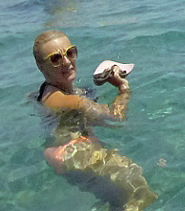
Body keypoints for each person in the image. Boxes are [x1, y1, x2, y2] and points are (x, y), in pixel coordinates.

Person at [33, 30, 157, 211]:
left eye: (70, 52)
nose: (66, 61)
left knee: (120, 200)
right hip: (73, 152)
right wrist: (123, 89)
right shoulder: (72, 99)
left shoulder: (54, 94)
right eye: (55, 58)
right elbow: (116, 118)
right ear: (41, 66)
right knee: (140, 192)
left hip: (72, 153)